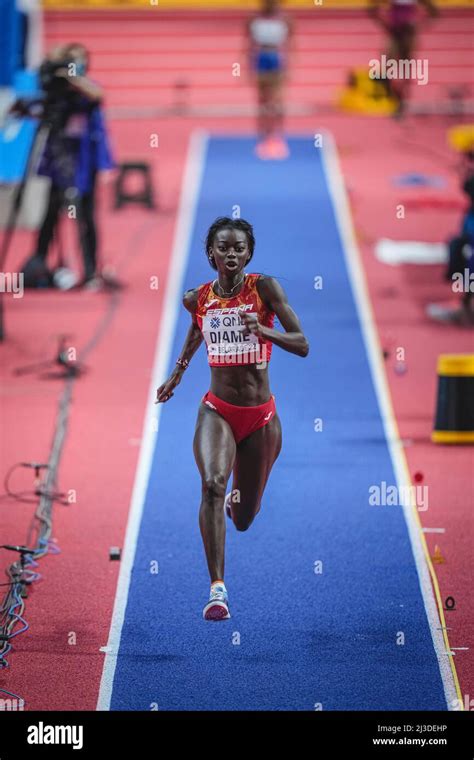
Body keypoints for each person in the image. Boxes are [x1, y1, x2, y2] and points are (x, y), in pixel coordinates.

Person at [155, 217, 309, 620]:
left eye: (239, 248)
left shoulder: (265, 288)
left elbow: (303, 344)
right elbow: (196, 330)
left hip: (260, 418)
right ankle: (217, 589)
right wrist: (176, 374)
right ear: (211, 253)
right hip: (217, 411)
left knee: (242, 518)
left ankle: (240, 506)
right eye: (223, 247)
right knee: (211, 485)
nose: (231, 254)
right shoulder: (197, 298)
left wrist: (264, 331)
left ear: (248, 254)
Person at [26, 43, 115, 290]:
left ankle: (89, 272)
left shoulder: (84, 88)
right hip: (59, 158)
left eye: (79, 62)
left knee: (85, 216)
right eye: (70, 62)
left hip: (84, 161)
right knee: (51, 213)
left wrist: (73, 78)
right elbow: (40, 106)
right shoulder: (58, 91)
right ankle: (40, 264)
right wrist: (55, 65)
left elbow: (97, 95)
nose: (73, 67)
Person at [369, 0, 438, 115]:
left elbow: (434, 12)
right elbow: (373, 8)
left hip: (408, 33)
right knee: (388, 62)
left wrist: (420, 26)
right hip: (395, 33)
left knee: (405, 68)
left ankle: (401, 101)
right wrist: (384, 24)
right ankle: (395, 95)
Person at [246, 0, 293, 159]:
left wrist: (288, 68)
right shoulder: (254, 20)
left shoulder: (285, 20)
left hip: (277, 60)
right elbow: (249, 46)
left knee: (278, 102)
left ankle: (278, 135)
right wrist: (249, 68)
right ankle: (263, 135)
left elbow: (290, 45)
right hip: (261, 59)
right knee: (263, 102)